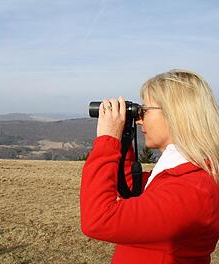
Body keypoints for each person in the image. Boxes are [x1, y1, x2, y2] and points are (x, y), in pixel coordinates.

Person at [80, 69, 219, 264]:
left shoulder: (192, 191)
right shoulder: (183, 176)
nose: (138, 119)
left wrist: (107, 140)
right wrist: (123, 140)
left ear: (175, 115)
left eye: (144, 110)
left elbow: (98, 219)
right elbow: (132, 185)